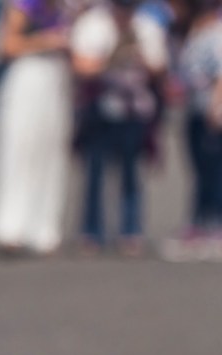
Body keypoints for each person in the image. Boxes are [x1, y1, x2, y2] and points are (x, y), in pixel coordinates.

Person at [71, 0, 169, 254]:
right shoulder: (93, 24)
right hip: (99, 108)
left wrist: (140, 57)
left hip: (134, 110)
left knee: (130, 173)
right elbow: (81, 65)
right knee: (95, 171)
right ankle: (91, 231)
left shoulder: (147, 26)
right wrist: (110, 57)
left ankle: (130, 230)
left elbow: (160, 68)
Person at [0, 0, 74, 256]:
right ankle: (10, 227)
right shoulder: (26, 5)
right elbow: (6, 45)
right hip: (29, 77)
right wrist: (46, 42)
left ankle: (44, 229)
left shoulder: (68, 8)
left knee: (52, 154)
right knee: (20, 151)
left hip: (56, 78)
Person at [161, 0, 222, 259]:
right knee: (199, 169)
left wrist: (216, 106)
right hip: (194, 111)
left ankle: (214, 225)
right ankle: (199, 223)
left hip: (210, 113)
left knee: (213, 171)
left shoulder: (216, 34)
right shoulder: (191, 34)